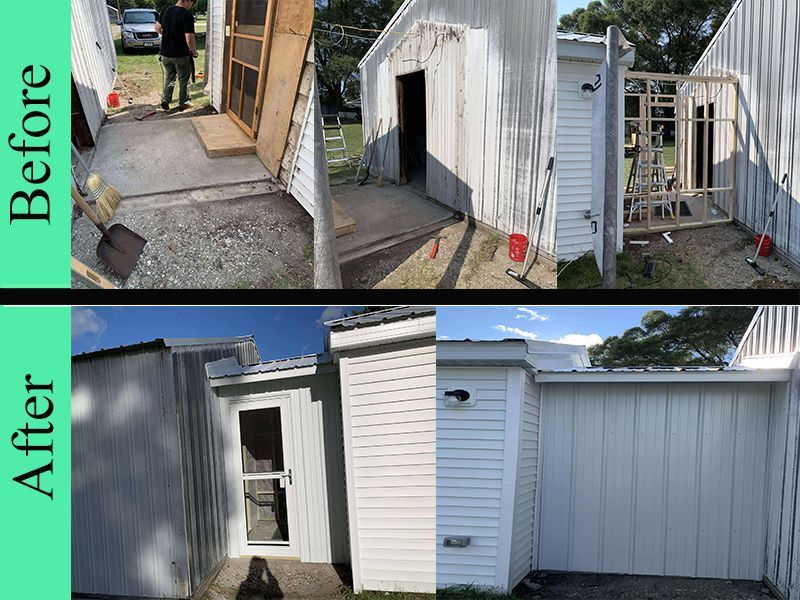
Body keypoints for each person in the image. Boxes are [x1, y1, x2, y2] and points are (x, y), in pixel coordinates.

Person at [155, 0, 198, 111]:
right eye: (192, 3)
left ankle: (166, 99)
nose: (191, 6)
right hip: (181, 55)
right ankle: (184, 102)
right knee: (184, 79)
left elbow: (157, 28)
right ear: (188, 1)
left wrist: (168, 35)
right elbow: (189, 37)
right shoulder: (187, 15)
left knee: (170, 77)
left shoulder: (165, 11)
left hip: (165, 54)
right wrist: (194, 52)